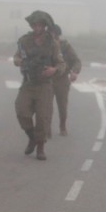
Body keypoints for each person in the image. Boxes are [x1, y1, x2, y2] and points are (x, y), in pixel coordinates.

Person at [14, 10, 65, 160]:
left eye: (39, 25)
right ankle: (32, 138)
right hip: (28, 83)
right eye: (34, 25)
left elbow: (61, 64)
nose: (36, 28)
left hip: (44, 85)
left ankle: (40, 148)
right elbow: (16, 56)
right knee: (21, 111)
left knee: (43, 118)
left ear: (44, 26)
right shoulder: (24, 41)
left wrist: (53, 70)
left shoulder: (53, 44)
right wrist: (20, 61)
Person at [45, 23, 82, 138]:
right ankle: (47, 129)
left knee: (62, 105)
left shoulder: (65, 46)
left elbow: (76, 60)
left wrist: (75, 72)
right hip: (47, 80)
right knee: (46, 106)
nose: (49, 35)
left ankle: (62, 126)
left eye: (51, 32)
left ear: (56, 34)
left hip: (62, 79)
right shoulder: (44, 46)